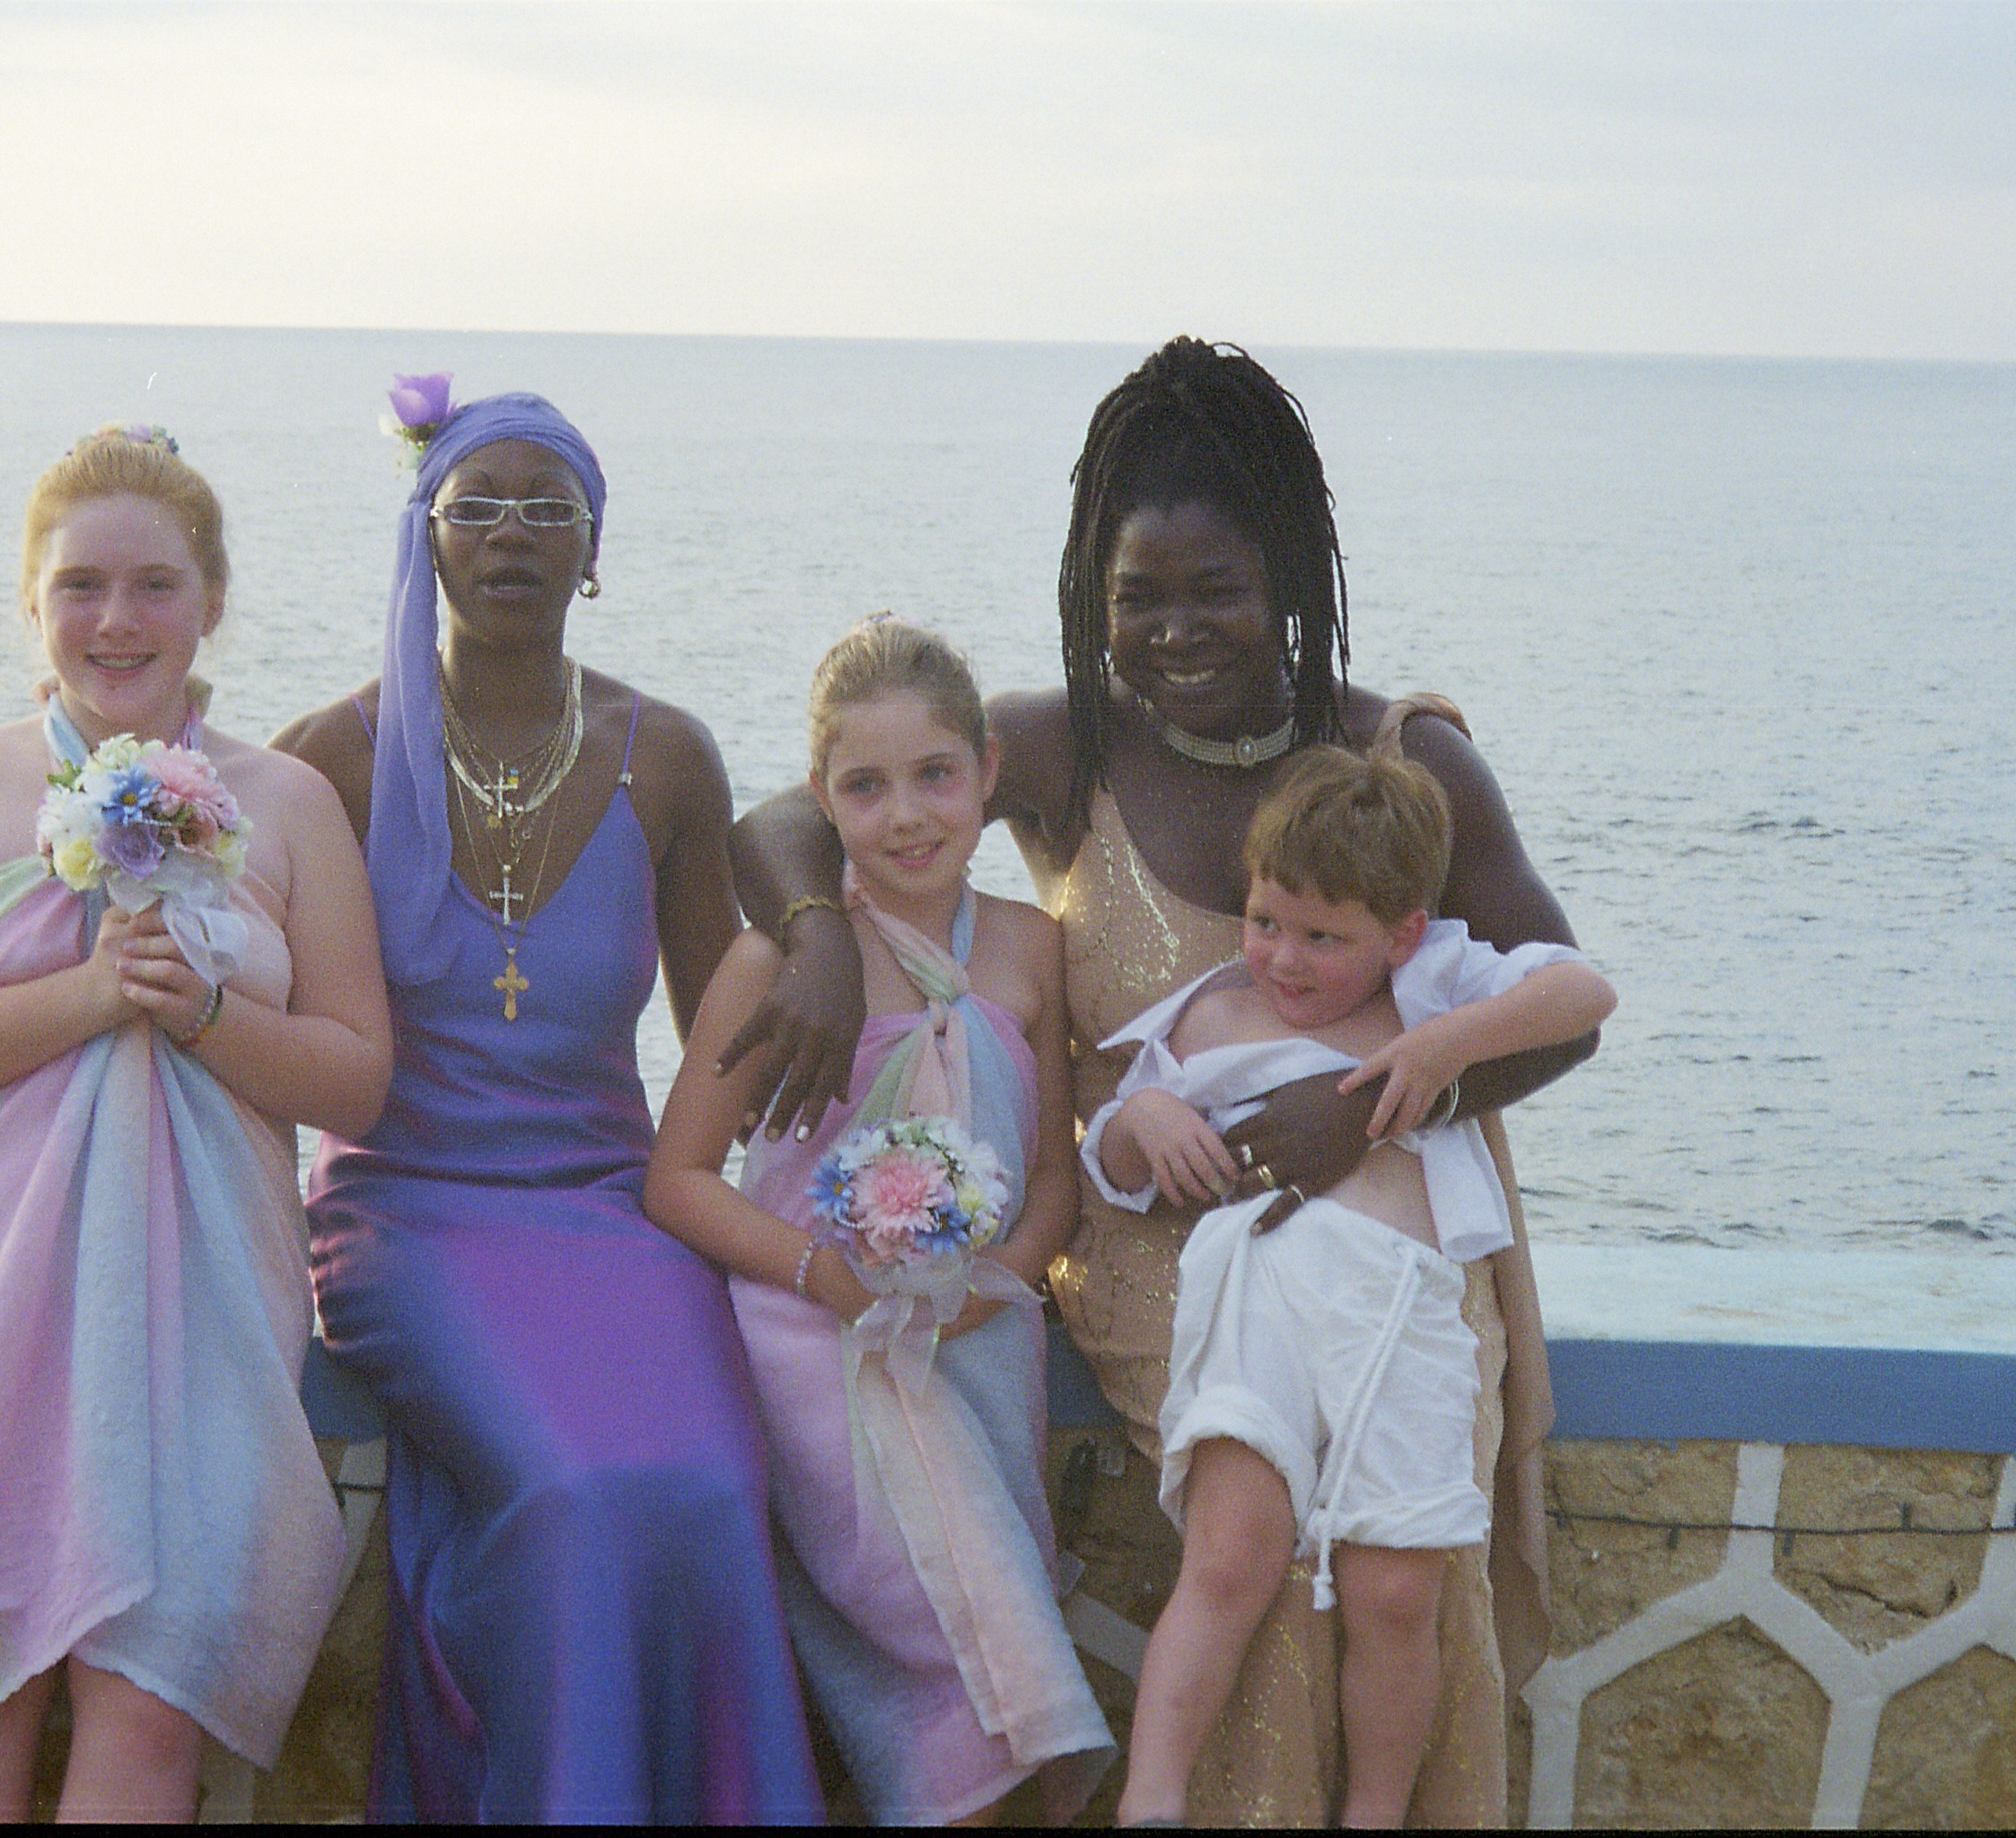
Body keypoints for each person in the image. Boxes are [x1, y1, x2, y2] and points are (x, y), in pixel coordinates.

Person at [729, 336, 1598, 1825]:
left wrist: (1372, 1107)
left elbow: (1562, 1006)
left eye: (1217, 590)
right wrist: (813, 934)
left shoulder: (1399, 761)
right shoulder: (1068, 745)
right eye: (1139, 597)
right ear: (1094, 597)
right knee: (1255, 1564)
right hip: (1157, 1251)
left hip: (1392, 1239)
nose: (1178, 630)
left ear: (1289, 582)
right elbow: (795, 814)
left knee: (1403, 1575)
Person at [273, 384, 824, 1822]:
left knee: (713, 1486)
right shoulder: (326, 761)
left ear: (594, 547)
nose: (512, 535)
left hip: (612, 1211)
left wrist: (852, 1013)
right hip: (403, 1217)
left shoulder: (667, 756)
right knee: (572, 1489)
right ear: (425, 537)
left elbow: (727, 1032)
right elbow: (213, 1000)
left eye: (548, 509)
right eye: (478, 508)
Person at [0, 426, 392, 1820]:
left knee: (149, 1714)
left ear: (213, 601)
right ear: (31, 602)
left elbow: (354, 1079)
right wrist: (90, 995)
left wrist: (202, 1014)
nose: (117, 619)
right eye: (80, 585)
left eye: (155, 584)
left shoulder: (289, 804)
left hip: (207, 1315)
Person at [1087, 748, 1614, 1825]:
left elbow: (1584, 993)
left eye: (1323, 937)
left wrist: (1445, 1046)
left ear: (1401, 934)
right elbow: (1111, 1158)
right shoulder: (1211, 1012)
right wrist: (1146, 1117)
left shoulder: (1434, 986)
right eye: (1264, 921)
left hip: (1402, 1310)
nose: (1284, 957)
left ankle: (1373, 1812)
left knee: (1397, 1587)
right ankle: (1153, 1797)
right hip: (1258, 1298)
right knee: (1230, 1555)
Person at [647, 618, 1115, 1825]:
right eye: (866, 786)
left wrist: (999, 1282)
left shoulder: (1032, 946)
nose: (907, 816)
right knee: (959, 1652)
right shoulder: (778, 963)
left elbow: (1052, 1175)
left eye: (935, 775)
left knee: (994, 1648)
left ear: (988, 773)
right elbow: (680, 1179)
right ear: (822, 797)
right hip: (822, 1344)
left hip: (980, 1340)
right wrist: (827, 1276)